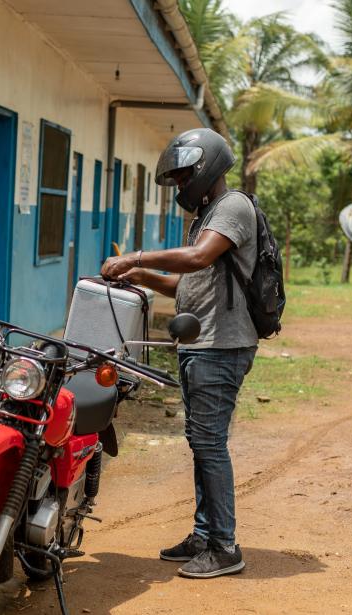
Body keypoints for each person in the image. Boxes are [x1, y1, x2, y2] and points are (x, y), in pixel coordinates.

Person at [100, 127, 258, 579]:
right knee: (201, 442)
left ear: (206, 166)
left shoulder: (233, 208)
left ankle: (225, 546)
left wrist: (137, 257)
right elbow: (187, 283)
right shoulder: (206, 216)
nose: (180, 184)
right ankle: (205, 534)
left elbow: (196, 259)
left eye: (185, 174)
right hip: (199, 345)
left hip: (221, 347)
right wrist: (142, 277)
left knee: (209, 443)